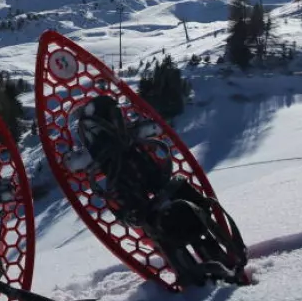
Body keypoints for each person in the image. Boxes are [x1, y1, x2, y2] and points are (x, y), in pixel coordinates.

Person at [74, 94, 244, 284]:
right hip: (146, 181)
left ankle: (193, 273)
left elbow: (76, 167)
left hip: (142, 185)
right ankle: (205, 266)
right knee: (158, 209)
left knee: (153, 216)